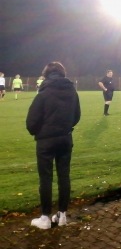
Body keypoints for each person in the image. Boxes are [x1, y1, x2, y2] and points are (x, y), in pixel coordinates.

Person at [26, 61, 81, 229]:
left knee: (46, 178)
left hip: (46, 141)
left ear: (46, 75)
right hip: (65, 138)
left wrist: (39, 132)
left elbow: (31, 122)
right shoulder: (72, 91)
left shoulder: (44, 93)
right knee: (64, 176)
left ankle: (45, 218)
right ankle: (62, 215)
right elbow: (77, 116)